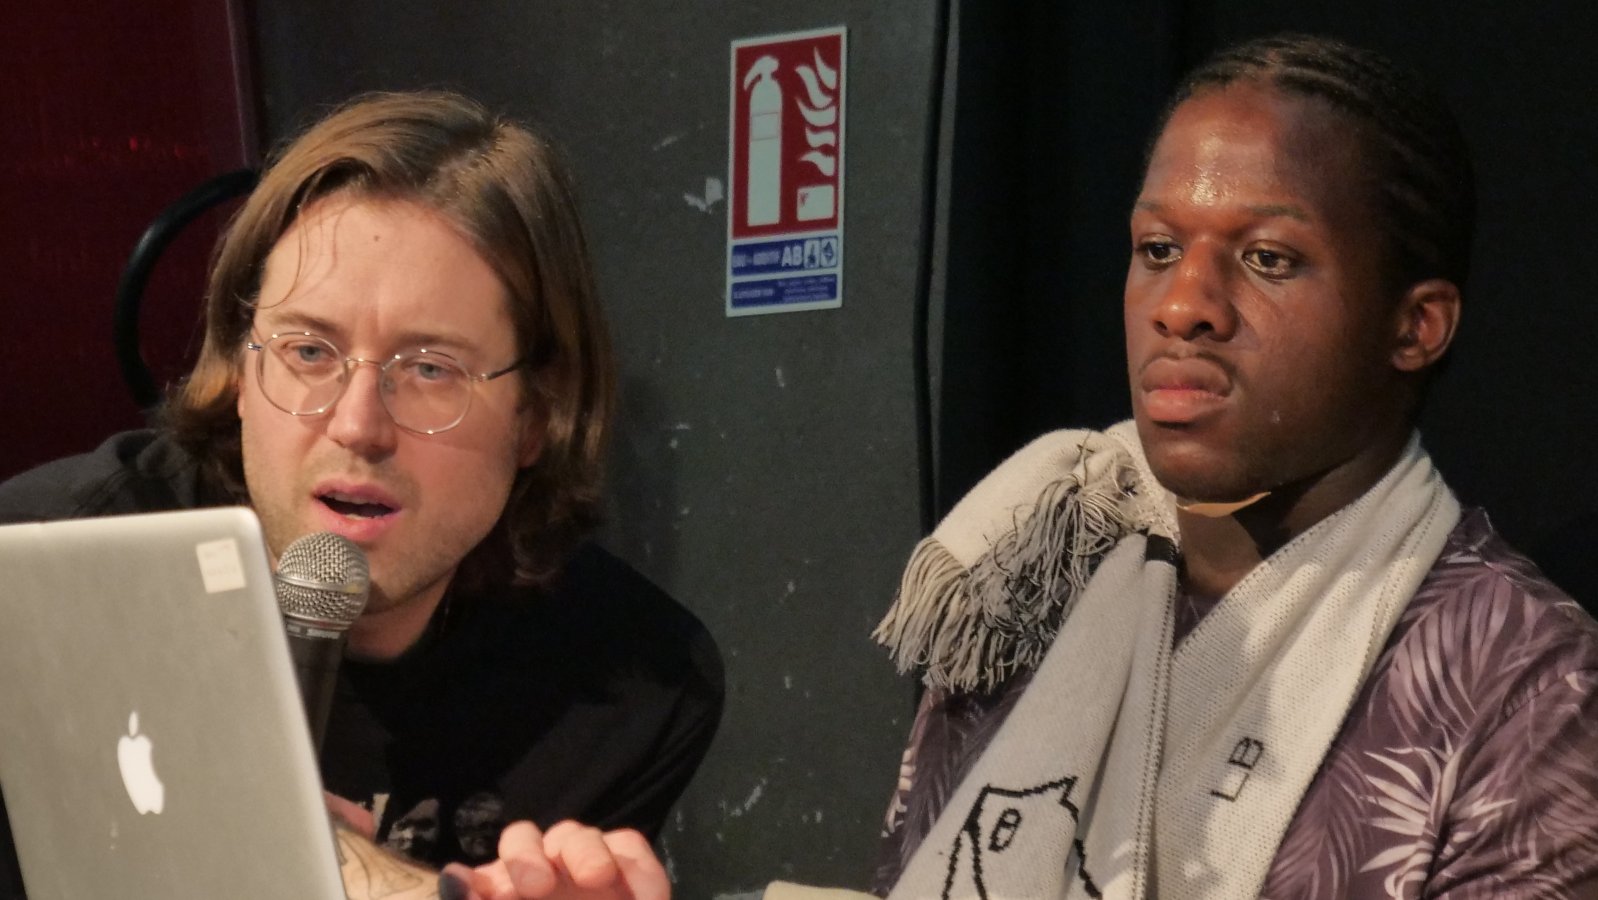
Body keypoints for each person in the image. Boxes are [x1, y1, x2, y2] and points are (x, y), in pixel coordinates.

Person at [860, 33, 1598, 900]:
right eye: (1158, 249)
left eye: (1268, 259)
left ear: (1415, 326)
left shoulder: (1526, 691)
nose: (1183, 305)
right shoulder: (1029, 585)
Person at [0, 91, 720, 900]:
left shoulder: (634, 685)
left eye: (431, 370)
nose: (357, 425)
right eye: (309, 351)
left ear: (536, 417)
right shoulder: (34, 577)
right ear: (239, 374)